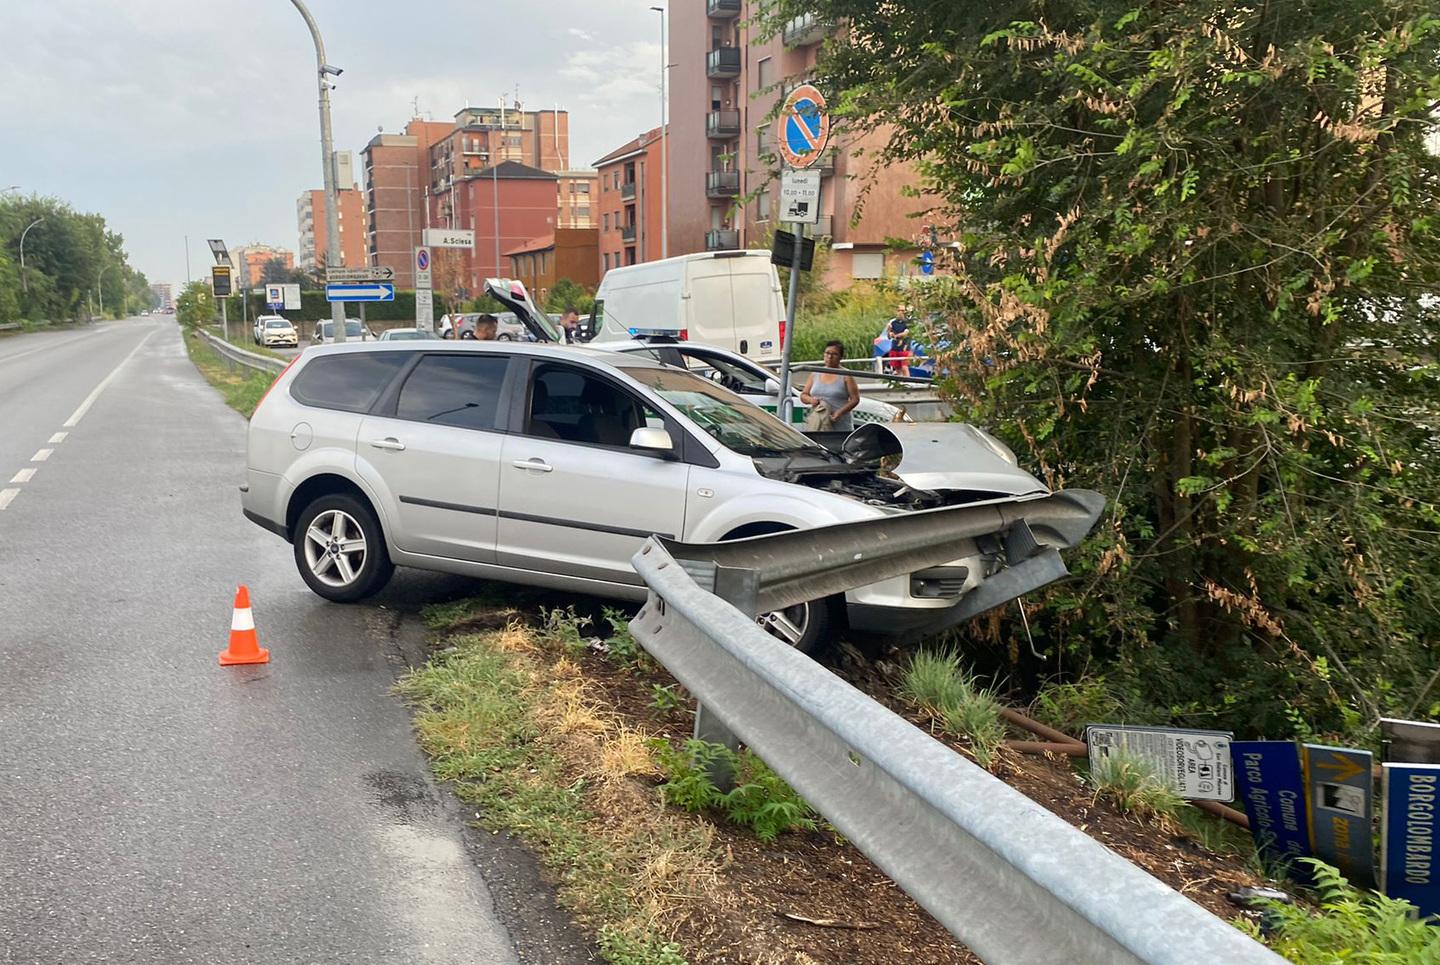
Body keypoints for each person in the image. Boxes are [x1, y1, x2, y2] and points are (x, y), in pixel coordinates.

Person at [801, 340, 861, 431]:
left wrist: (840, 412)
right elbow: (804, 395)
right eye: (827, 353)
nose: (830, 357)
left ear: (841, 357)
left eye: (834, 354)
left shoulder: (846, 375)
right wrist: (811, 400)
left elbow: (855, 399)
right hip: (818, 422)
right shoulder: (815, 373)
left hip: (840, 424)